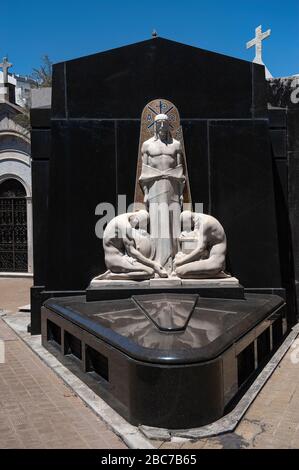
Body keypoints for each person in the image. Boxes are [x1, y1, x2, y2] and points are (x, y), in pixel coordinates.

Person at [139, 114, 185, 273]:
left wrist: (180, 193)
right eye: (159, 123)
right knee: (157, 221)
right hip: (154, 186)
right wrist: (145, 192)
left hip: (172, 185)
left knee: (173, 222)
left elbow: (179, 171)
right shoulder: (146, 145)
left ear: (168, 125)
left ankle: (174, 260)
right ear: (154, 125)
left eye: (165, 122)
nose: (162, 125)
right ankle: (158, 259)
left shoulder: (177, 145)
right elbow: (145, 172)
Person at [95, 210, 168, 280]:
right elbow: (132, 252)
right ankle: (111, 276)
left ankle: (113, 275)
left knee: (148, 271)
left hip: (118, 258)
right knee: (149, 272)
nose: (136, 227)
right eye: (138, 225)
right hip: (115, 261)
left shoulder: (119, 219)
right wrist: (154, 265)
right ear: (136, 219)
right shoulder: (125, 225)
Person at [174, 211, 228, 279]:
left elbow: (200, 250)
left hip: (215, 263)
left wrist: (179, 262)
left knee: (179, 271)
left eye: (191, 225)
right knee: (181, 269)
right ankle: (213, 273)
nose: (191, 228)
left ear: (192, 220)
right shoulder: (202, 220)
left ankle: (216, 274)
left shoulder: (205, 223)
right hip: (209, 260)